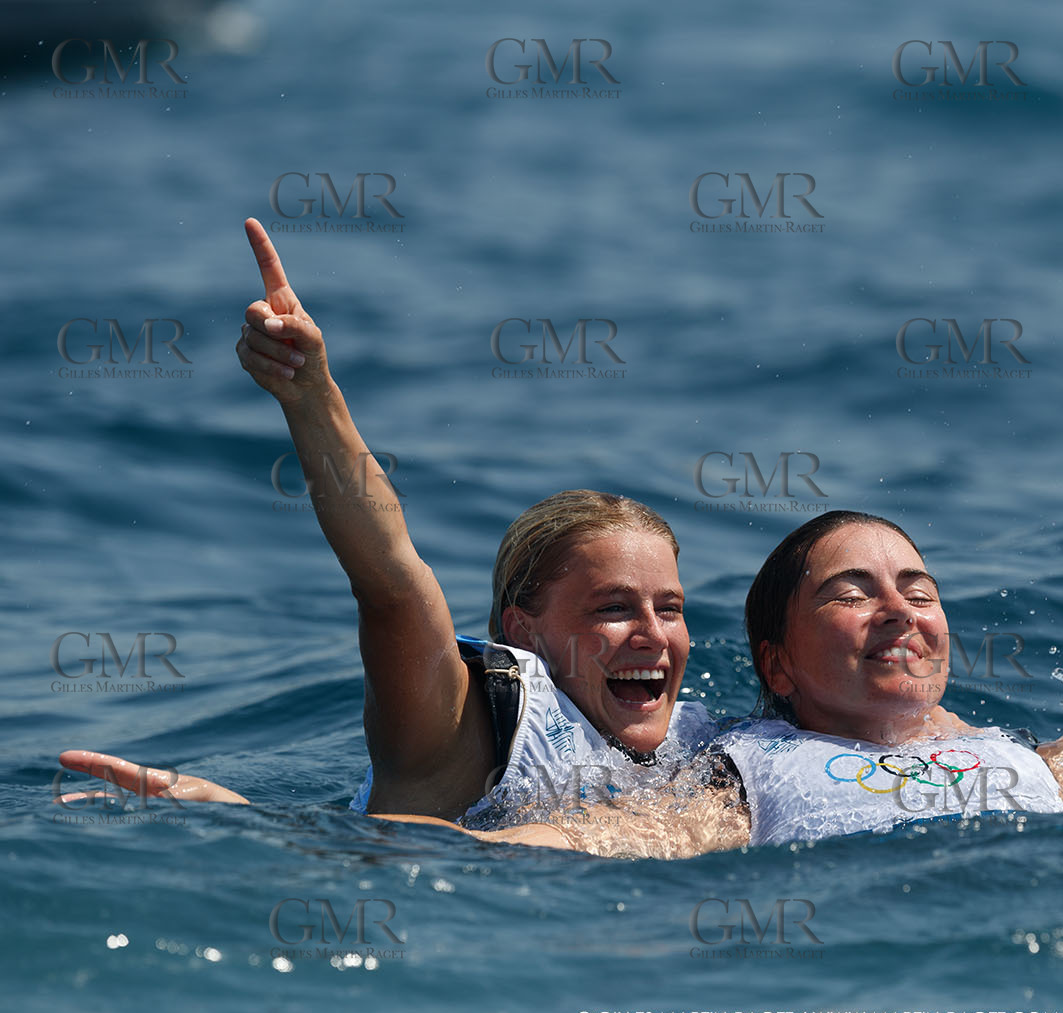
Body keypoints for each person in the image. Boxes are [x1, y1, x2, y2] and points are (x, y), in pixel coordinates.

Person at [61, 272, 1063, 857]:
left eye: (916, 582)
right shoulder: (735, 787)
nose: (898, 603)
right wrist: (257, 826)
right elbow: (485, 839)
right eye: (851, 587)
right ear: (773, 665)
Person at [57, 221, 719, 837]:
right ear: (523, 629)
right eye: (614, 607)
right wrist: (310, 394)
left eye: (671, 608)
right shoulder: (464, 724)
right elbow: (392, 580)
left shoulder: (698, 749)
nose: (654, 634)